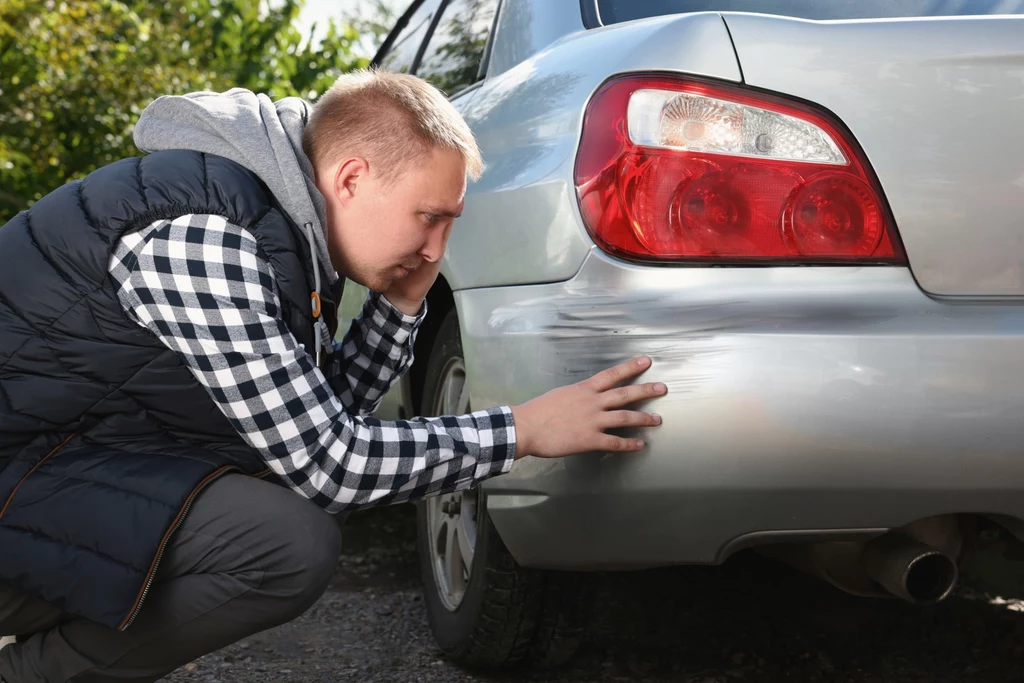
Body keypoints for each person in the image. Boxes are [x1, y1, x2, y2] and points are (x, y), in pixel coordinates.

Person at [0, 68, 666, 683]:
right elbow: (328, 465)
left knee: (284, 526)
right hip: (21, 480)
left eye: (448, 223)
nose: (437, 247)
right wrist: (521, 430)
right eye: (428, 216)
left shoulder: (278, 231)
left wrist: (400, 307)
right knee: (285, 545)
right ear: (350, 179)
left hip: (45, 475)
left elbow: (310, 424)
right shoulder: (204, 240)